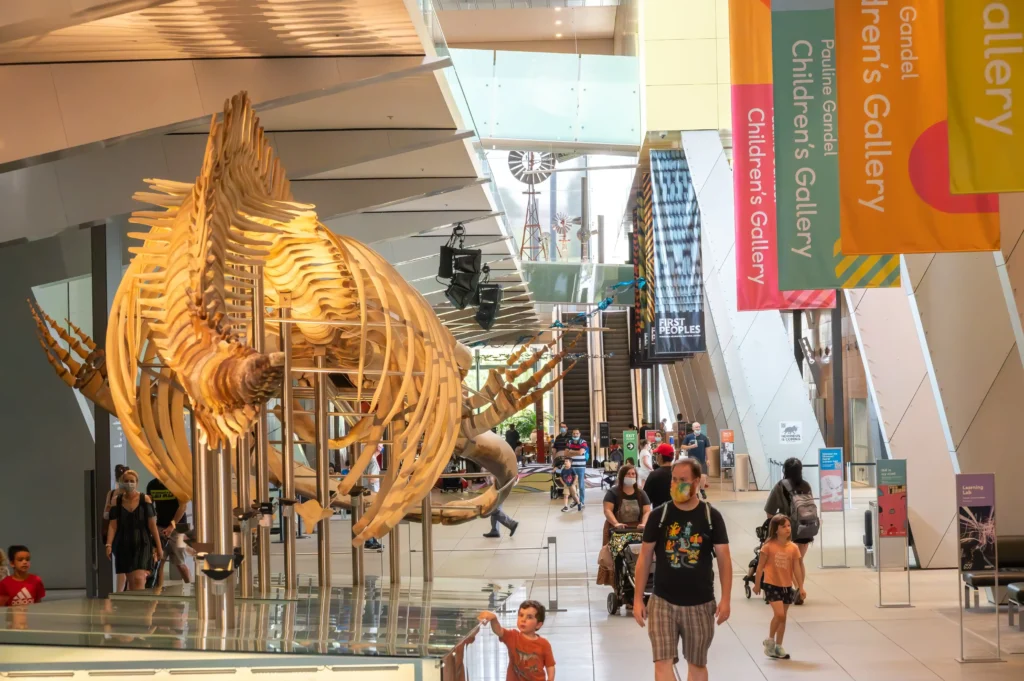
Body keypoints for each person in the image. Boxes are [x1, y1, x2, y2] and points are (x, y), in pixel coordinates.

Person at [633, 458, 732, 681]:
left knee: (697, 664)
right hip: (663, 602)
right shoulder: (659, 516)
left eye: (683, 480)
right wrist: (638, 598)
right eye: (674, 480)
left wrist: (725, 598)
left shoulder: (711, 516)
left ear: (697, 482)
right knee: (662, 662)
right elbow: (645, 557)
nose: (677, 485)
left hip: (700, 603)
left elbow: (724, 558)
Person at [752, 514, 806, 660]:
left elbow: (797, 569)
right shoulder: (768, 546)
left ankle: (779, 646)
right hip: (771, 585)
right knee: (780, 614)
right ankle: (770, 640)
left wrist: (800, 587)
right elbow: (760, 567)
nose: (787, 529)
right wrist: (757, 584)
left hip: (786, 586)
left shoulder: (793, 548)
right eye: (783, 526)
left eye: (788, 526)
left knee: (783, 618)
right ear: (776, 529)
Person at [764, 457, 815, 604]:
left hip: (789, 530)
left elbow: (769, 511)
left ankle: (799, 591)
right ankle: (800, 590)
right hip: (807, 528)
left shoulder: (781, 486)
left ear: (784, 470)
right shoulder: (807, 486)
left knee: (792, 563)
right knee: (799, 561)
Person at [106, 469, 163, 591]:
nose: (129, 483)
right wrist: (108, 544)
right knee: (131, 580)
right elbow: (113, 525)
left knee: (139, 578)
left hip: (143, 542)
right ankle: (135, 608)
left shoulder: (145, 499)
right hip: (124, 543)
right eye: (126, 481)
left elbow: (152, 525)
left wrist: (159, 547)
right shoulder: (117, 500)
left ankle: (141, 607)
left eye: (132, 481)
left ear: (137, 483)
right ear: (122, 482)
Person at [478, 600, 555, 681]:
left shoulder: (544, 644)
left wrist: (550, 679)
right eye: (521, 615)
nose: (523, 619)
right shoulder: (513, 636)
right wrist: (494, 619)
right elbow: (499, 631)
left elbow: (550, 665)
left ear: (538, 624)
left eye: (529, 617)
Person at [146, 477, 191, 587]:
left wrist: (172, 526)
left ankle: (191, 590)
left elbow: (183, 506)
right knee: (159, 561)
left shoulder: (177, 483)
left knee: (180, 563)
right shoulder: (152, 484)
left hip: (179, 528)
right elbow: (150, 505)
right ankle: (158, 592)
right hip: (161, 526)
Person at [681, 423, 711, 499]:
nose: (698, 428)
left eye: (699, 427)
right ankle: (696, 493)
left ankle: (702, 489)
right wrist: (691, 446)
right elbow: (683, 446)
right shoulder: (689, 437)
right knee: (695, 477)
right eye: (696, 427)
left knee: (703, 476)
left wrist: (708, 459)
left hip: (702, 460)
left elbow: (707, 449)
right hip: (692, 461)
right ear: (693, 428)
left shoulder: (704, 438)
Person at [644, 444, 676, 509]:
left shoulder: (654, 475)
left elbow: (645, 498)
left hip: (659, 513)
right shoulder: (679, 473)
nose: (656, 456)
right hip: (678, 513)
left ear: (660, 456)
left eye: (656, 454)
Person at [566, 429, 589, 505]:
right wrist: (576, 452)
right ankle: (576, 500)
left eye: (577, 433)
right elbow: (566, 453)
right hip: (572, 467)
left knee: (581, 485)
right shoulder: (569, 442)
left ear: (580, 434)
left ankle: (582, 501)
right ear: (572, 434)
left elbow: (581, 452)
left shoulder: (583, 442)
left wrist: (571, 452)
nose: (575, 435)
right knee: (572, 485)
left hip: (581, 467)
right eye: (574, 433)